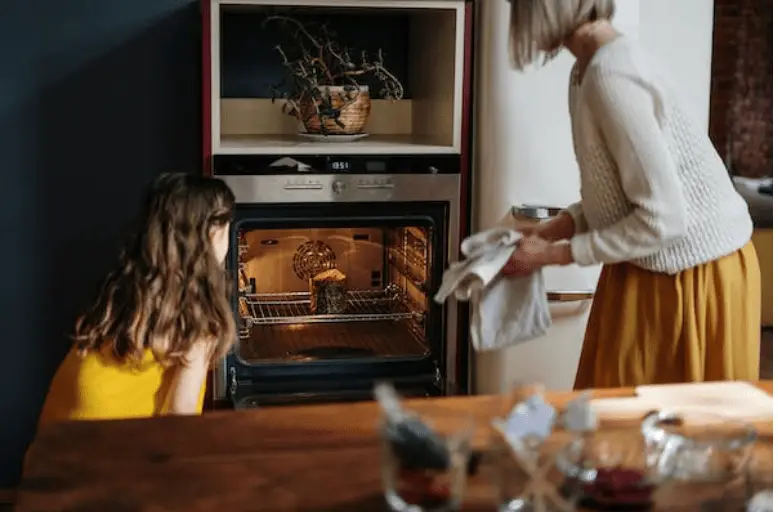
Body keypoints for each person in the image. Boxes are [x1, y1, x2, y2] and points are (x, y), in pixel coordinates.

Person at [501, 0, 760, 388]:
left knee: (660, 428)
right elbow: (618, 195)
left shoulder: (611, 75)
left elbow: (663, 220)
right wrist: (555, 229)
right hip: (647, 263)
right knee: (618, 420)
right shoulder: (586, 70)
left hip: (691, 274)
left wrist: (552, 256)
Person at [38, 173, 237, 425]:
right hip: (110, 452)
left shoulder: (123, 285)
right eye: (226, 222)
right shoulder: (198, 316)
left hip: (55, 441)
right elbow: (179, 415)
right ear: (210, 234)